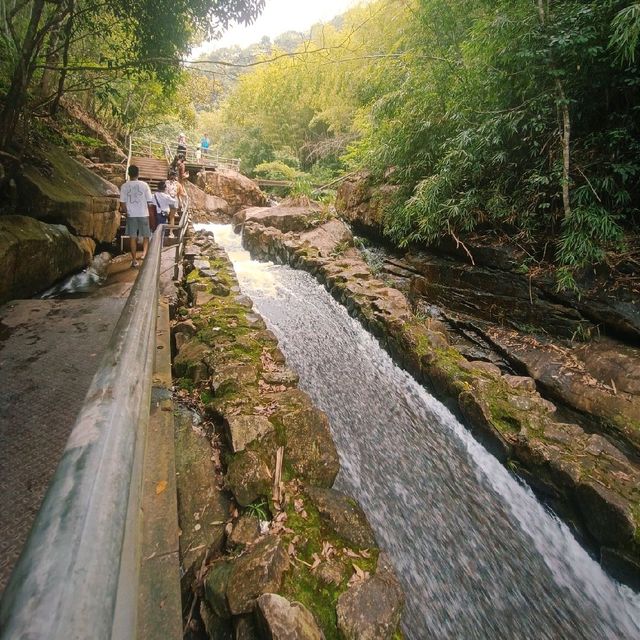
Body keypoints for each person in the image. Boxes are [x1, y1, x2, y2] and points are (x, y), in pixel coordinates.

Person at [119, 164, 153, 267]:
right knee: (146, 235)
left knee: (132, 237)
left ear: (129, 174)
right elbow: (149, 202)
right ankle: (144, 254)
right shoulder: (144, 185)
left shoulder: (124, 186)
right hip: (143, 214)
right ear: (138, 173)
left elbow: (122, 203)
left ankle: (134, 260)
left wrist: (127, 212)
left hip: (131, 215)